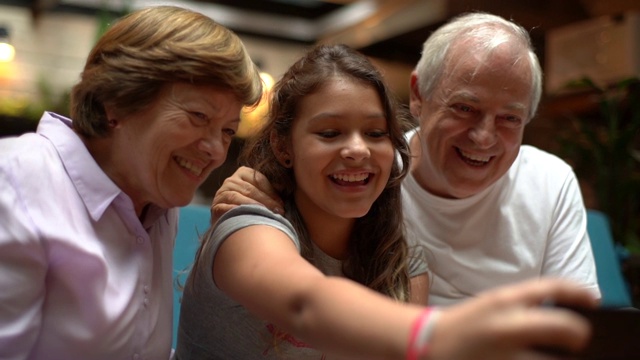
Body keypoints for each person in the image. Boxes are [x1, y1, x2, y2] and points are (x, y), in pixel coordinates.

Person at [175, 44, 598, 360]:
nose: (358, 150)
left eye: (376, 134)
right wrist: (439, 333)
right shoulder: (248, 226)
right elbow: (304, 305)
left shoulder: (403, 260)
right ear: (283, 146)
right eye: (330, 133)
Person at [210, 12, 601, 306]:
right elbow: (305, 302)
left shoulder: (549, 180)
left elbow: (582, 322)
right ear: (418, 95)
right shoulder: (369, 181)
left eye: (509, 119)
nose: (484, 137)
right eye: (464, 108)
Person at [0, 6, 262, 360]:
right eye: (198, 116)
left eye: (229, 130)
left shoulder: (156, 204)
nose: (216, 151)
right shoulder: (16, 181)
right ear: (117, 101)